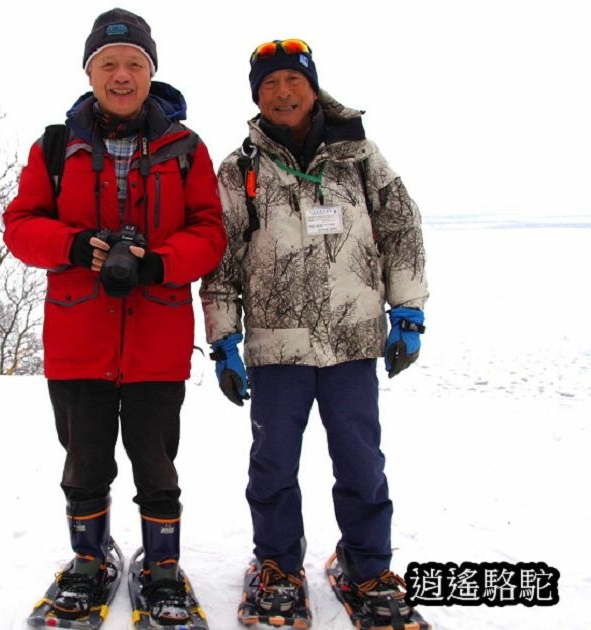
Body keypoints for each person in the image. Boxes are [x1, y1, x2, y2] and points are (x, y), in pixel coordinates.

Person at [2, 8, 226, 625]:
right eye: (109, 64)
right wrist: (73, 246)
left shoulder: (186, 148)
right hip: (78, 339)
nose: (121, 76)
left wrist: (158, 262)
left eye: (134, 65)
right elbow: (19, 227)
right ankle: (89, 562)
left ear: (151, 73)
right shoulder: (55, 145)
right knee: (85, 462)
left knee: (157, 463)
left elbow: (211, 232)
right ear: (90, 71)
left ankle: (161, 568)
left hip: (156, 340)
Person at [200, 38, 428, 625]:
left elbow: (401, 228)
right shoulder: (240, 169)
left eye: (291, 81)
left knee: (359, 460)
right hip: (277, 347)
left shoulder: (360, 156)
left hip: (352, 341)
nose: (281, 92)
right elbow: (221, 259)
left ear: (312, 86)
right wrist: (224, 341)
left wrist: (407, 312)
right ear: (257, 95)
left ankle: (367, 565)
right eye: (269, 84)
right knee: (273, 462)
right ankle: (276, 565)